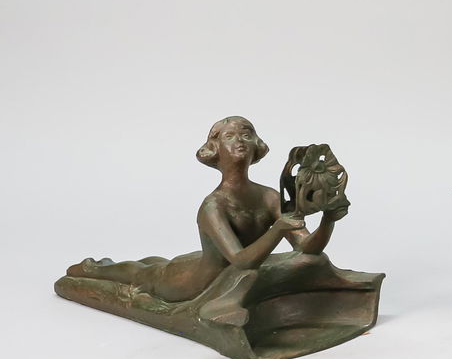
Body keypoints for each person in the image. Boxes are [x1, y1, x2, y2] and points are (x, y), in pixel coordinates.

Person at [68, 116, 337, 303]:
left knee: (156, 263)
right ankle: (94, 269)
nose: (240, 140)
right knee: (142, 274)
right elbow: (241, 261)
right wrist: (277, 229)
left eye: (247, 134)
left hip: (213, 269)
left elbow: (308, 249)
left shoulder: (269, 197)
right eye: (230, 136)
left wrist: (329, 218)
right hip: (191, 285)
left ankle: (141, 264)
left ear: (256, 145)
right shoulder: (214, 205)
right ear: (215, 149)